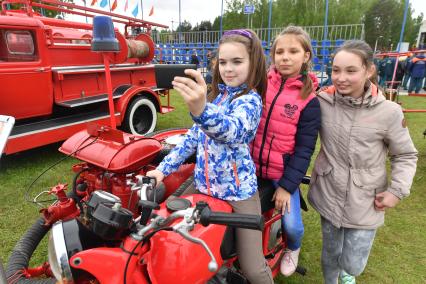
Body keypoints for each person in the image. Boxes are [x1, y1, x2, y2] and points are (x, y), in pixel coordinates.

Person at [146, 29, 273, 284]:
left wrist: (202, 110)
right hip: (203, 186)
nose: (228, 68)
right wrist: (162, 170)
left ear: (254, 63)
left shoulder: (250, 101)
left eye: (237, 62)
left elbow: (232, 131)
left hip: (238, 194)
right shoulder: (216, 96)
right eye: (223, 62)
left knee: (253, 268)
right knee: (163, 223)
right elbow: (190, 140)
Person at [308, 40, 418, 284]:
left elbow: (406, 155)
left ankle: (348, 274)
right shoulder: (321, 102)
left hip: (367, 199)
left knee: (353, 263)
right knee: (330, 252)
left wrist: (397, 191)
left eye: (351, 70)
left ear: (369, 70)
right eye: (336, 70)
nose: (341, 78)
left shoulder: (389, 112)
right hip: (329, 192)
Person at [251, 26, 321, 277]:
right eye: (279, 51)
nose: (285, 57)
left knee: (292, 225)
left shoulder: (310, 101)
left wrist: (287, 186)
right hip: (252, 165)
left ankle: (293, 247)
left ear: (306, 56)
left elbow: (304, 150)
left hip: (283, 173)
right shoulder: (259, 85)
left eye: (293, 51)